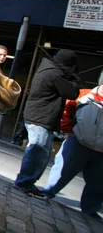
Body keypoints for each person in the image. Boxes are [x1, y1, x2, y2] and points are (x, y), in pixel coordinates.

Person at [13, 49, 80, 197]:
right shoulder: (55, 74)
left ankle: (26, 182)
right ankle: (24, 183)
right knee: (37, 151)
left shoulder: (48, 69)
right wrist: (74, 78)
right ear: (69, 65)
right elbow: (72, 92)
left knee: (43, 152)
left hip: (39, 116)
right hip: (41, 117)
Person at [42, 73, 103, 220]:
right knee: (62, 170)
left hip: (101, 151)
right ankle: (47, 193)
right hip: (78, 142)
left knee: (98, 182)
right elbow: (65, 111)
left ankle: (90, 209)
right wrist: (68, 129)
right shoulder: (84, 95)